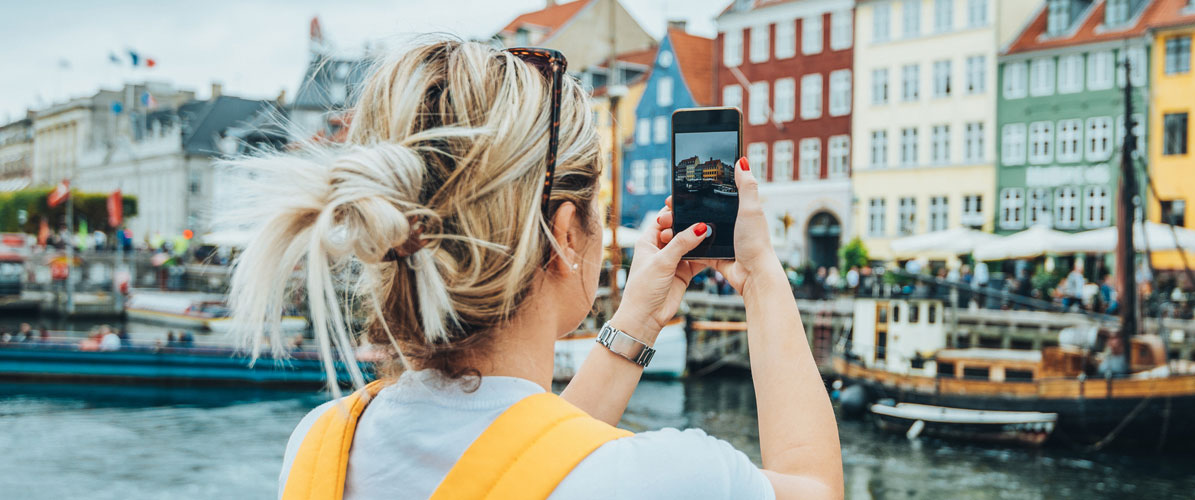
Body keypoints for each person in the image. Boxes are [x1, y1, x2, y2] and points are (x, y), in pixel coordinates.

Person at [225, 40, 840, 500]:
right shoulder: (668, 478)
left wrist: (641, 319)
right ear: (568, 233)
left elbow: (527, 462)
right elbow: (814, 486)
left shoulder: (321, 445)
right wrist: (759, 274)